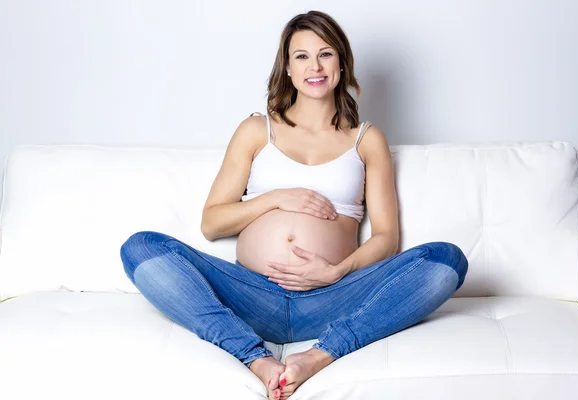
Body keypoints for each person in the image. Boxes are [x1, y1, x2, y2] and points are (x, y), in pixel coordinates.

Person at [120, 10, 468, 400]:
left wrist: (337, 272)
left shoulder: (366, 139)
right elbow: (212, 223)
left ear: (342, 62)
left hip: (333, 296)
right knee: (141, 247)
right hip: (251, 293)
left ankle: (320, 355)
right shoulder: (256, 130)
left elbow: (386, 238)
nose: (314, 66)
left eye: (326, 53)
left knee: (447, 259)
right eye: (301, 56)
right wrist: (276, 198)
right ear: (286, 67)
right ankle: (255, 357)